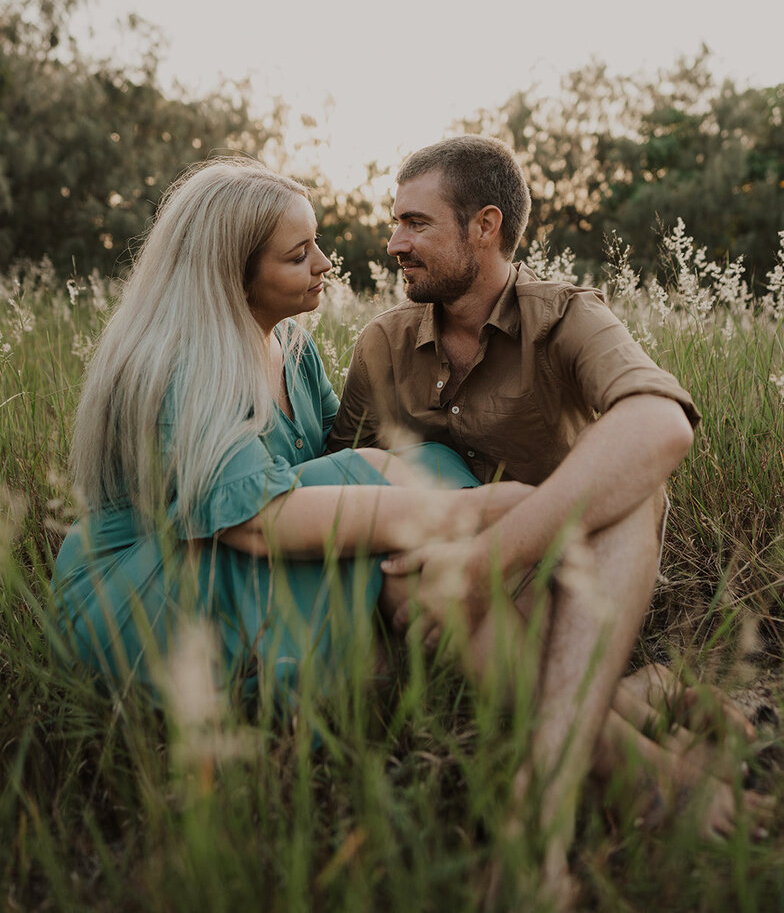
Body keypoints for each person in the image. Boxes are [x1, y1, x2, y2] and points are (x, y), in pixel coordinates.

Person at [328, 135, 768, 901]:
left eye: (415, 223)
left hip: (578, 593)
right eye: (394, 223)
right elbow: (343, 480)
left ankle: (548, 801)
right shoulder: (381, 345)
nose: (393, 243)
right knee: (406, 572)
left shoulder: (565, 317)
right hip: (443, 608)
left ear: (485, 226)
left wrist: (491, 555)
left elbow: (662, 425)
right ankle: (647, 727)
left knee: (636, 489)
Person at [49, 156, 521, 711]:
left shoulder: (292, 348)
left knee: (408, 482)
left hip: (230, 559)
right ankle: (594, 721)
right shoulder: (184, 365)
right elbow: (254, 523)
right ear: (232, 275)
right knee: (385, 491)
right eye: (299, 255)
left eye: (315, 243)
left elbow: (332, 457)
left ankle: (585, 708)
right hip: (143, 594)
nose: (324, 263)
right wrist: (478, 509)